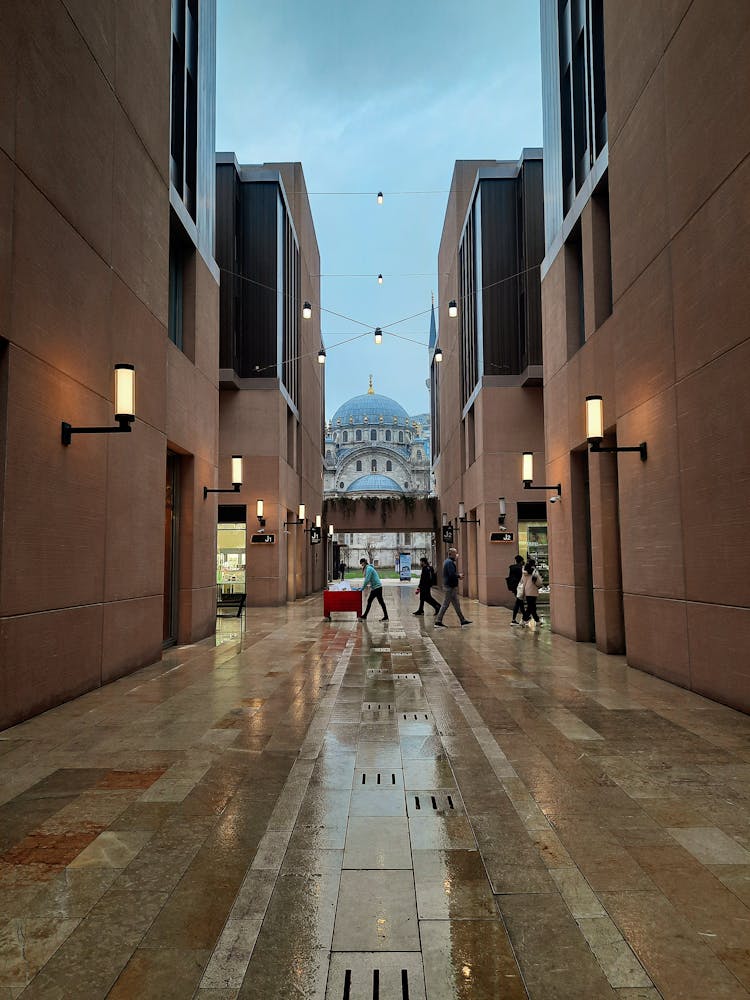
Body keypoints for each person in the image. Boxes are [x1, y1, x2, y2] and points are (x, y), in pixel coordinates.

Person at [434, 548, 472, 628]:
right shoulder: (450, 563)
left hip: (451, 587)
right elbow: (451, 575)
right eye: (455, 554)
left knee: (456, 604)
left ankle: (462, 620)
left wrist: (457, 576)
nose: (456, 555)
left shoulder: (448, 562)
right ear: (451, 554)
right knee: (445, 604)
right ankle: (438, 621)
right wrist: (459, 576)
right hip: (450, 587)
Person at [521, 559, 543, 626]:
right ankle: (524, 620)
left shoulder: (524, 572)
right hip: (533, 590)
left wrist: (523, 591)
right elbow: (538, 581)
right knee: (531, 607)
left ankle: (537, 621)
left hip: (527, 590)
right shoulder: (534, 571)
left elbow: (523, 582)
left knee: (532, 606)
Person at [507, 554, 525, 625]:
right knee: (519, 602)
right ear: (521, 561)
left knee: (519, 602)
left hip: (514, 587)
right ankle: (523, 617)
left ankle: (521, 618)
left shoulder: (512, 567)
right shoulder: (521, 568)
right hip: (520, 587)